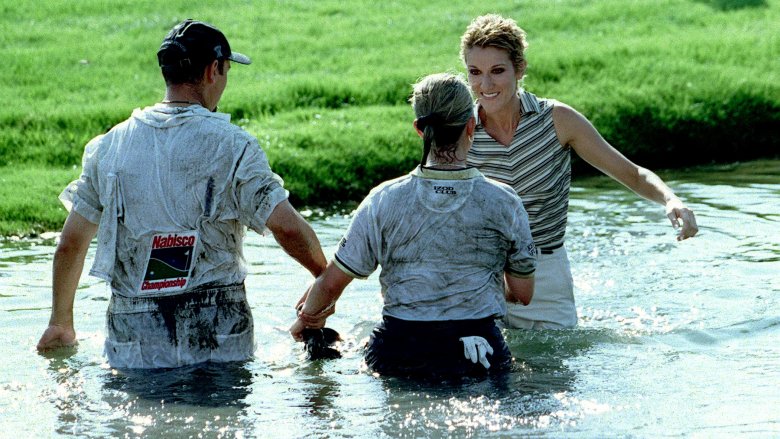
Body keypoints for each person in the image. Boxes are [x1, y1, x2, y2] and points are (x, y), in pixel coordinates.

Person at [36, 19, 327, 368]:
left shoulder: (109, 147)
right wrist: (324, 279)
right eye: (227, 70)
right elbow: (288, 228)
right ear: (212, 70)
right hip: (218, 326)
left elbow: (71, 243)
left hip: (133, 330)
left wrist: (60, 324)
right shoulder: (233, 146)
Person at [290, 73, 537, 379]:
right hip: (479, 350)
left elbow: (330, 284)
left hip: (398, 351)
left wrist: (309, 319)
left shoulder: (383, 200)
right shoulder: (504, 201)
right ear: (472, 126)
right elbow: (523, 293)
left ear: (420, 130)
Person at [460, 14, 699, 330]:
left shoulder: (558, 120)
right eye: (475, 73)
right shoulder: (460, 128)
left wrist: (671, 200)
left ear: (520, 68)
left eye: (497, 71)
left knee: (552, 375)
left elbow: (631, 173)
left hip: (545, 276)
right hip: (478, 276)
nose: (485, 85)